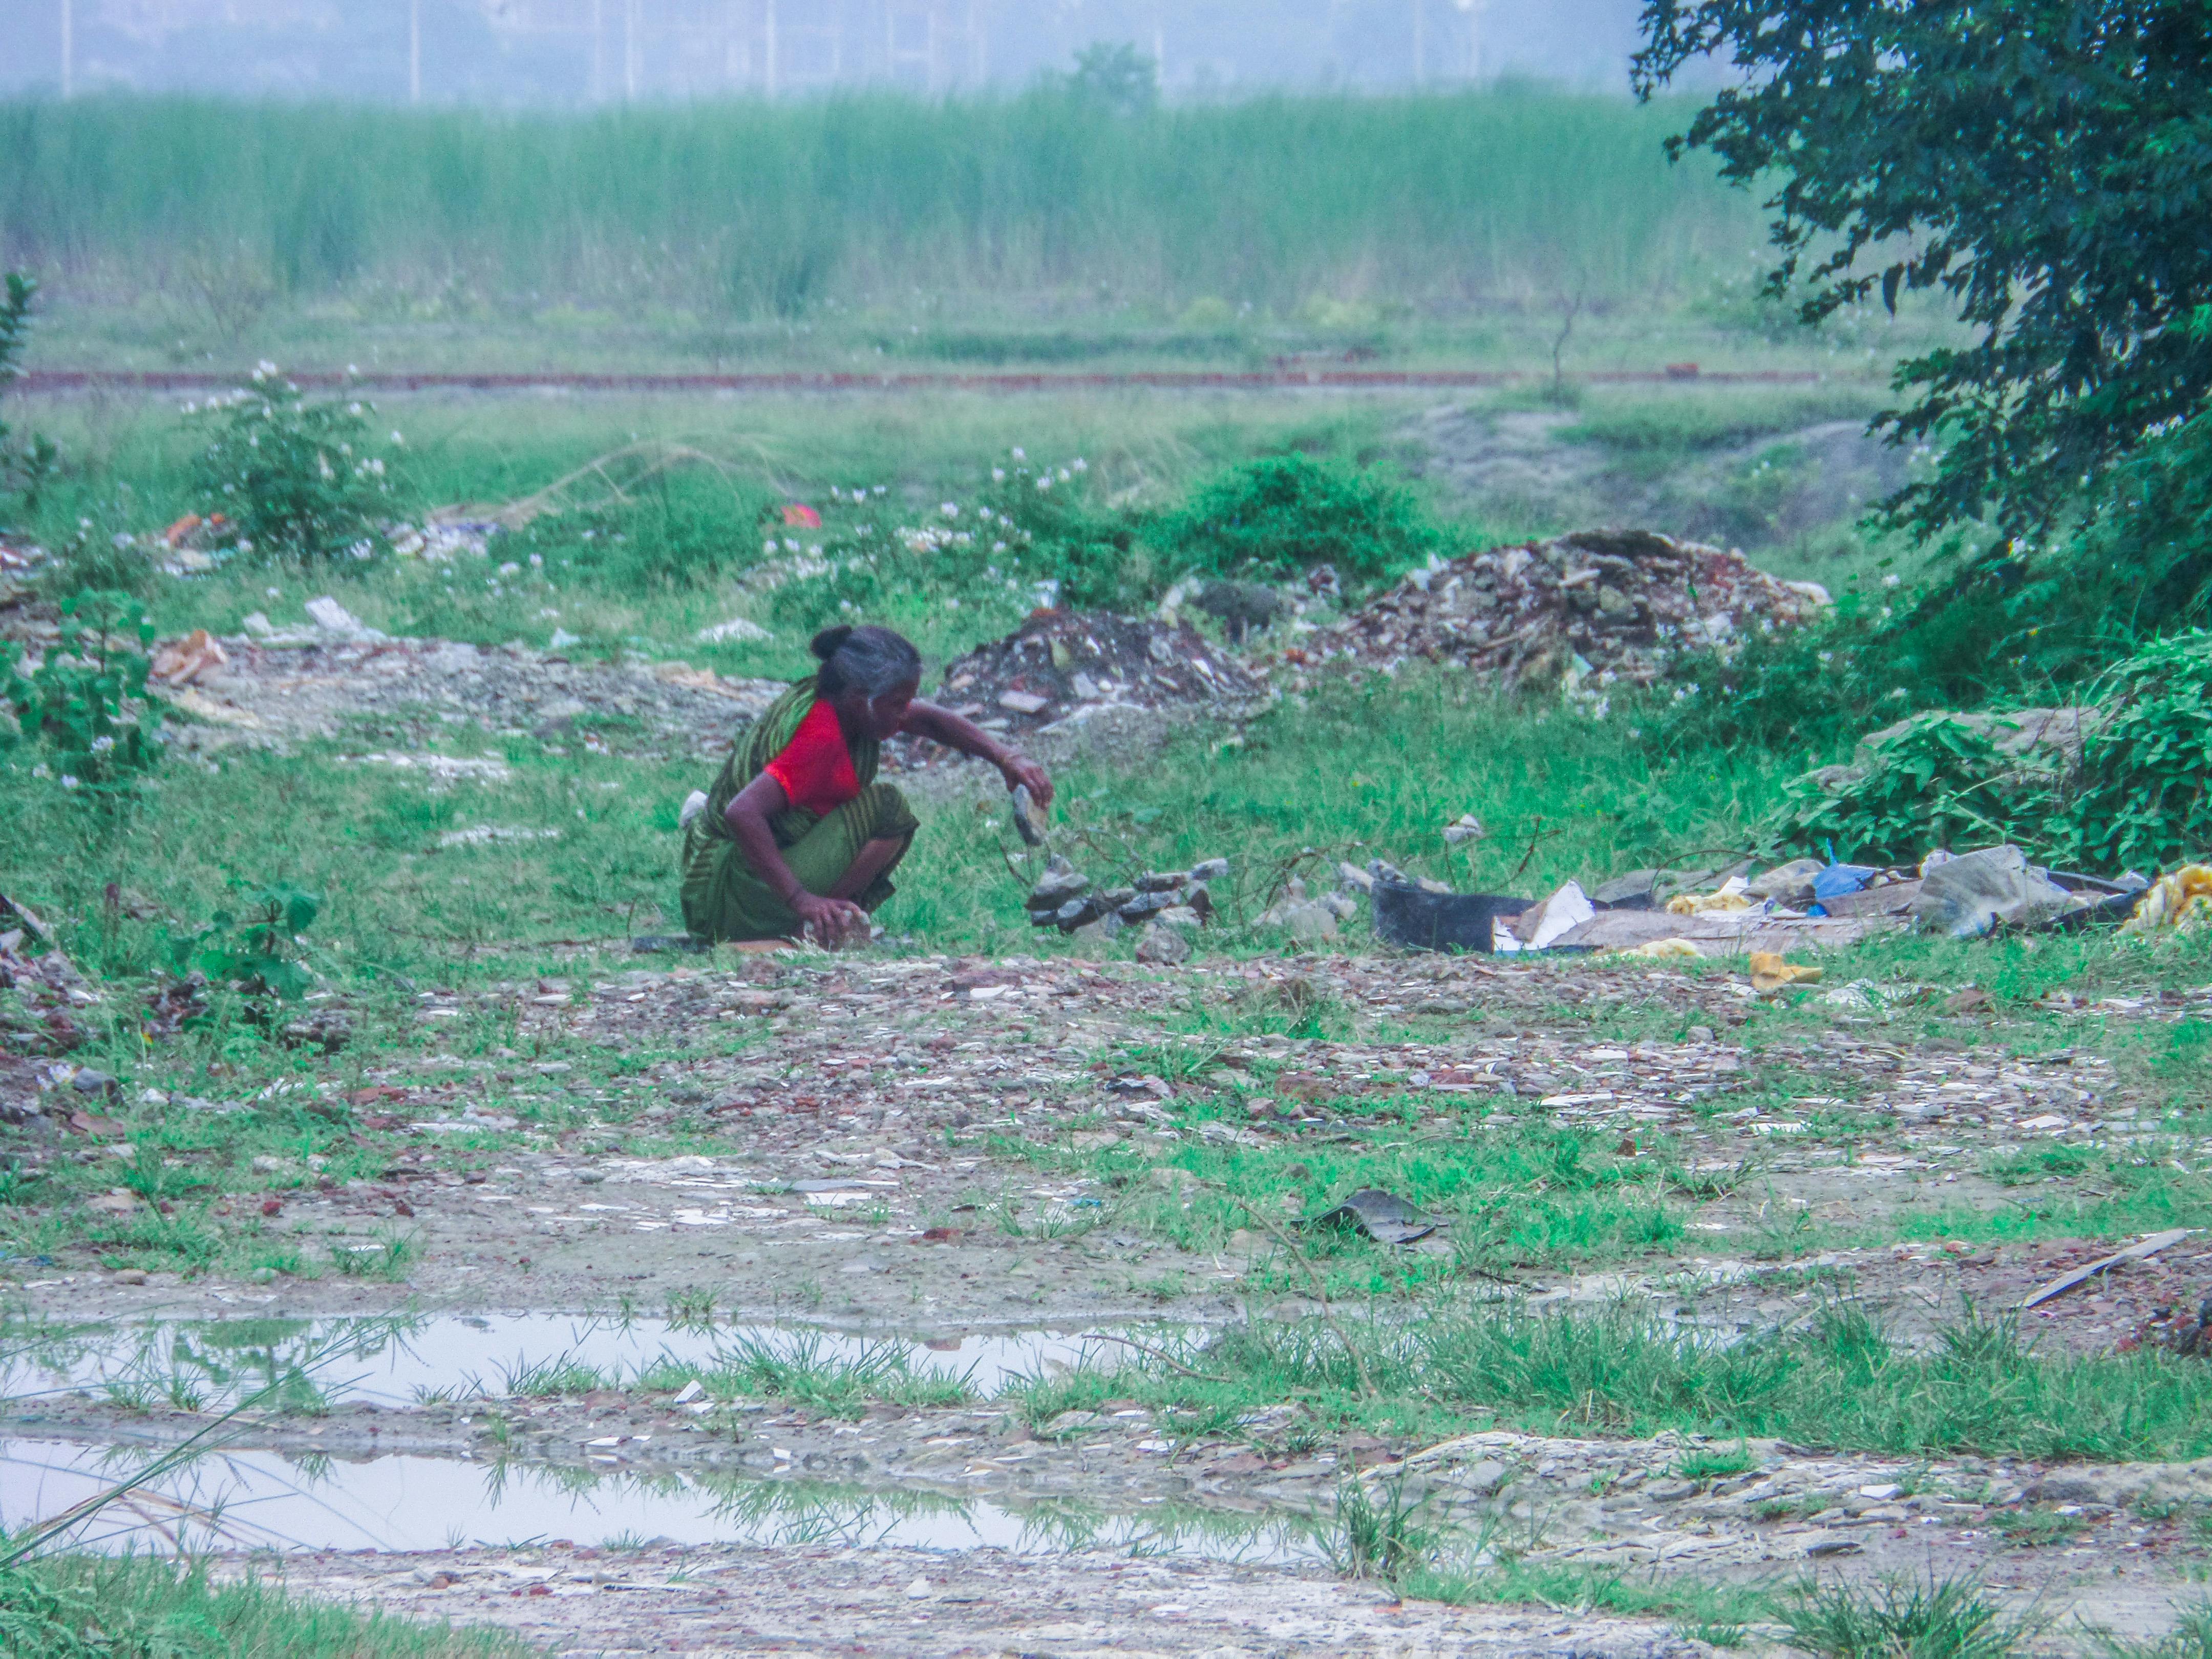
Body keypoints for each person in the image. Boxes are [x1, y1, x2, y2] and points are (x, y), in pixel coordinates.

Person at [681, 624, 1053, 946]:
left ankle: (815, 922)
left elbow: (929, 721)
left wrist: (1006, 756)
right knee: (887, 810)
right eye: (897, 703)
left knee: (880, 808)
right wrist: (801, 899)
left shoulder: (837, 701)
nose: (905, 713)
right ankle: (806, 925)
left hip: (722, 885)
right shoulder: (821, 738)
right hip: (729, 895)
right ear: (860, 698)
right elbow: (742, 812)